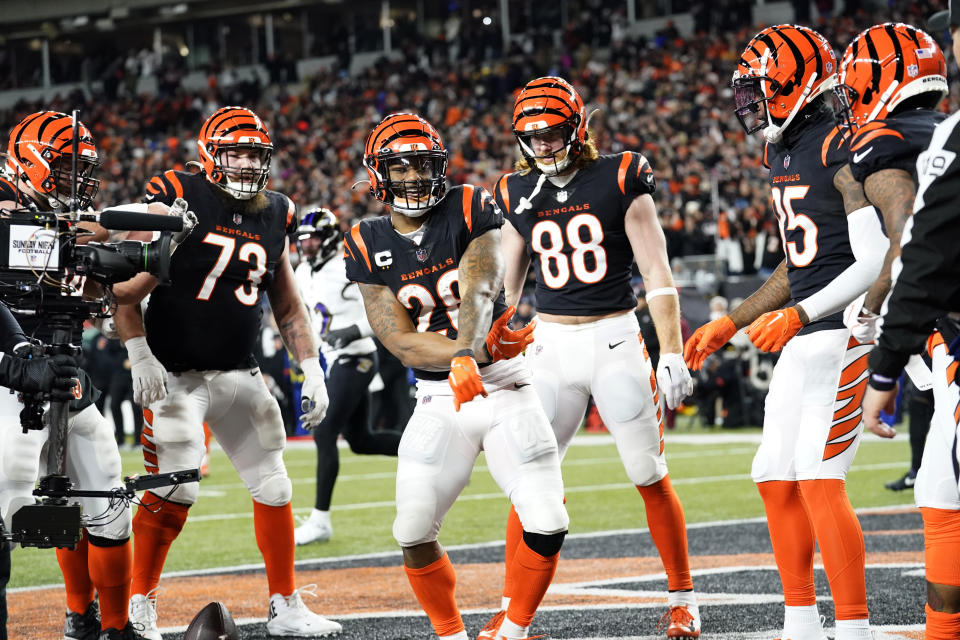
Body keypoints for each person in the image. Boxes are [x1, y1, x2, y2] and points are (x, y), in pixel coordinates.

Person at [684, 25, 888, 640]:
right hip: (804, 338)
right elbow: (796, 263)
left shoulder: (840, 144)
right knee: (773, 473)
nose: (751, 104)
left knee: (820, 479)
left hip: (846, 331)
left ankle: (854, 627)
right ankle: (800, 617)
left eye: (759, 90)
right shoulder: (783, 149)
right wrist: (733, 320)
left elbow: (875, 259)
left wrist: (798, 315)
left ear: (798, 83)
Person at [110, 106, 340, 639]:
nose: (245, 164)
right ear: (211, 155)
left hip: (240, 370)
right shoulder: (179, 193)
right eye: (235, 153)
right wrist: (139, 351)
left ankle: (284, 606)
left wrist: (312, 366)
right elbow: (122, 287)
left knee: (276, 485)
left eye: (255, 154)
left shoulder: (277, 211)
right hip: (175, 375)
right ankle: (139, 605)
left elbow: (287, 306)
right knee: (176, 489)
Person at [344, 112, 569, 640]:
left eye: (423, 164)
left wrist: (470, 353)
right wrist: (461, 355)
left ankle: (512, 632)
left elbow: (481, 288)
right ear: (379, 175)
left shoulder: (468, 204)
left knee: (547, 519)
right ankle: (450, 634)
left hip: (503, 381)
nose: (414, 177)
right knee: (412, 528)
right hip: (438, 397)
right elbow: (397, 339)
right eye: (400, 169)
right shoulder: (364, 238)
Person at [493, 76, 699, 638]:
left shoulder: (620, 174)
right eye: (531, 136)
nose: (542, 145)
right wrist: (493, 349)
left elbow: (656, 271)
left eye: (553, 132)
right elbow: (508, 291)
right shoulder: (515, 191)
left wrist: (671, 350)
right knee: (530, 479)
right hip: (549, 347)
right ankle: (514, 608)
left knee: (647, 472)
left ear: (577, 127)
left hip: (614, 339)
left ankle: (684, 600)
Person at [0, 110, 160, 640]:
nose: (77, 183)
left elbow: (97, 294)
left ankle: (107, 626)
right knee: (8, 508)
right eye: (66, 169)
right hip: (7, 380)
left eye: (82, 171)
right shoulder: (8, 210)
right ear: (32, 164)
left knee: (107, 499)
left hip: (65, 370)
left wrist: (150, 259)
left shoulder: (62, 219)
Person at [862, 4, 960, 637]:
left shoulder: (914, 141)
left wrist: (882, 362)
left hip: (947, 335)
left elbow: (916, 258)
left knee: (943, 492)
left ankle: (942, 630)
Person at [832, 22, 948, 492]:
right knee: (938, 485)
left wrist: (870, 310)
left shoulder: (884, 144)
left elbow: (906, 244)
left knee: (942, 485)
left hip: (947, 320)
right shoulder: (947, 129)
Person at [292, 207, 403, 545]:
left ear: (327, 239)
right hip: (329, 358)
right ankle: (433, 450)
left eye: (312, 240)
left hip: (357, 357)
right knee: (361, 440)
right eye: (303, 241)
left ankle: (320, 520)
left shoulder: (348, 265)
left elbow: (392, 309)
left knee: (325, 432)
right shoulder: (301, 272)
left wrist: (353, 330)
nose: (306, 246)